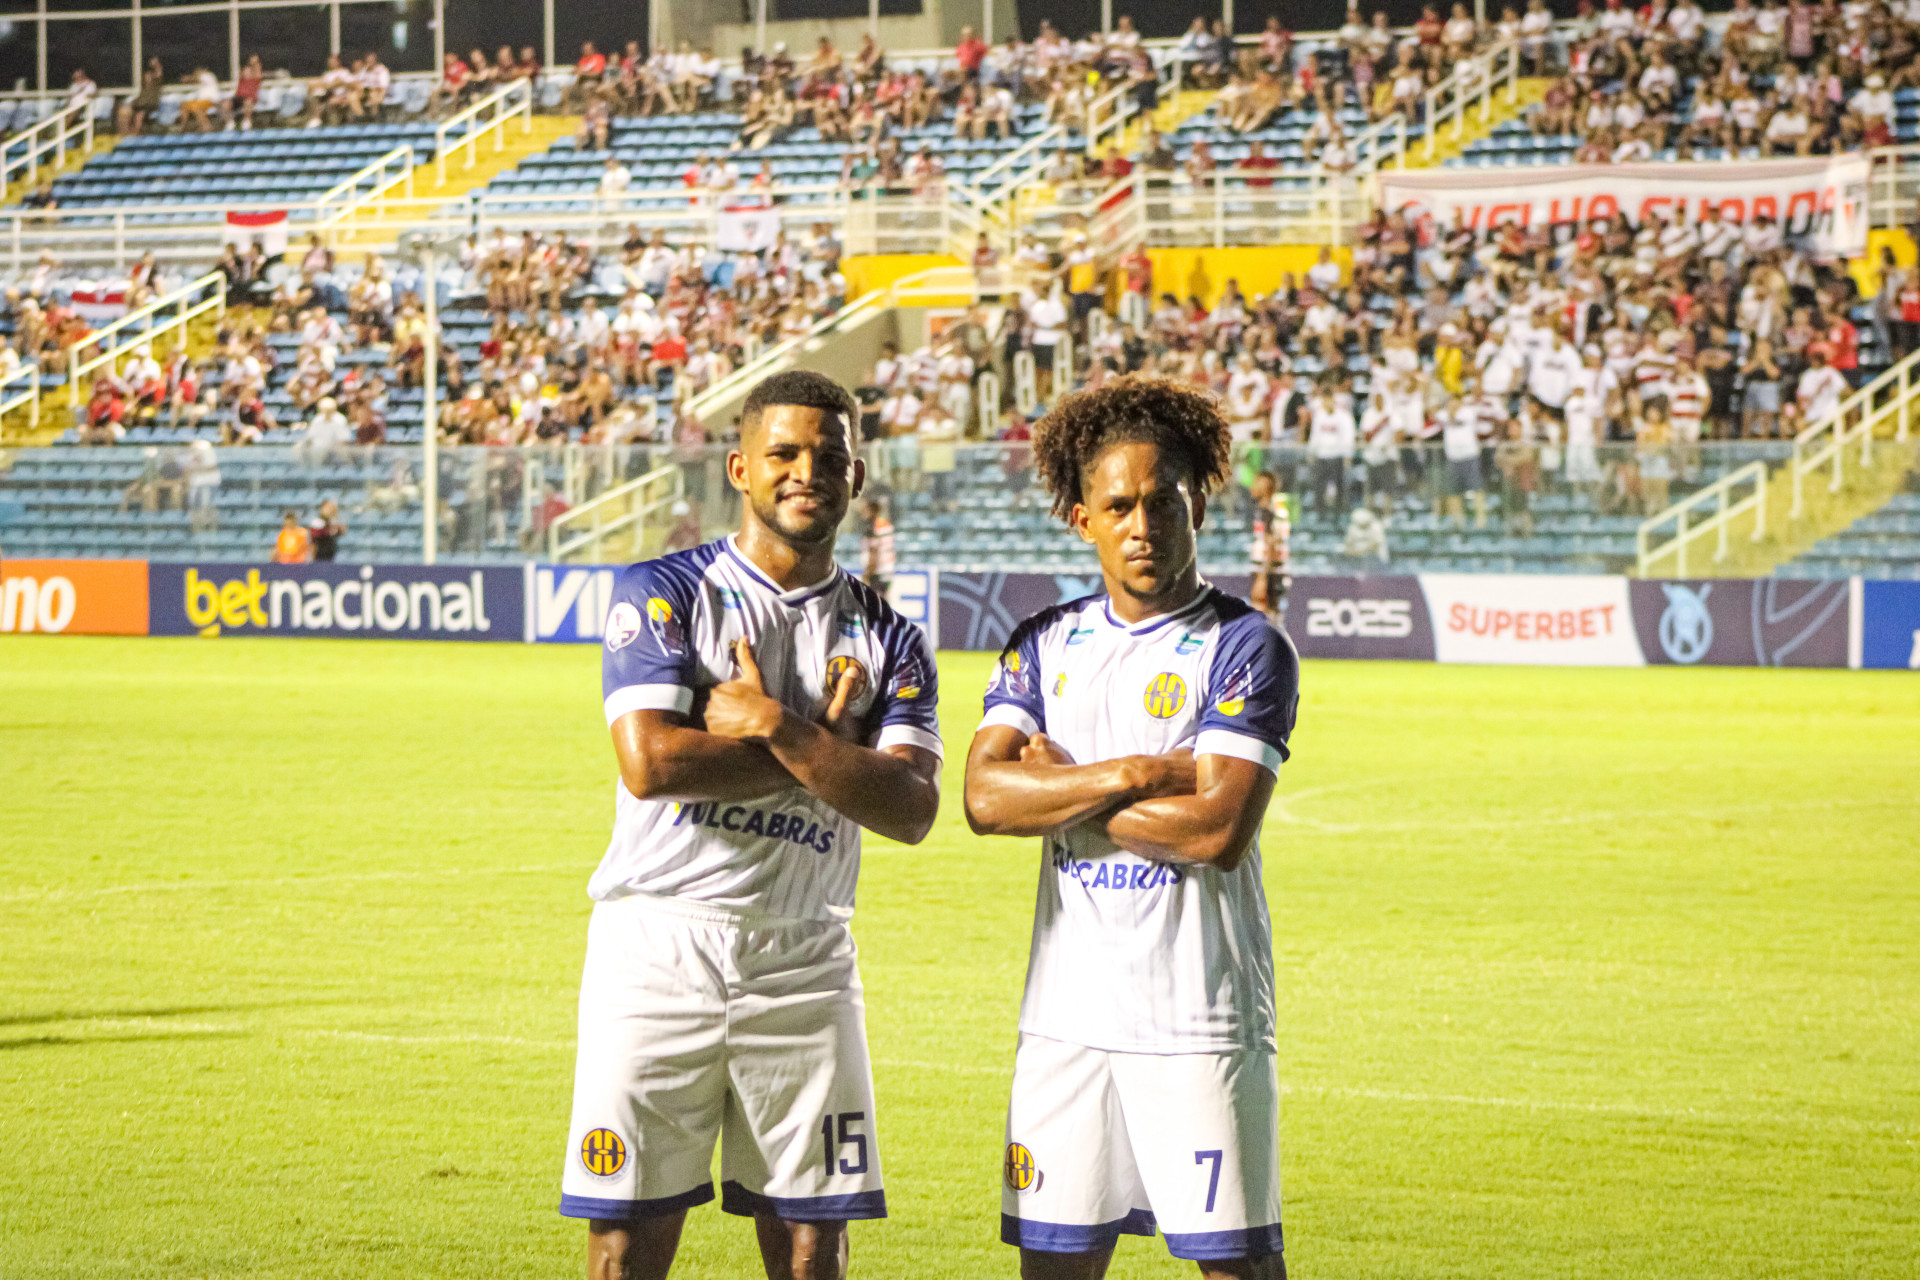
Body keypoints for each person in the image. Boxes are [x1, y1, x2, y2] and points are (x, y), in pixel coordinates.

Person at [562, 370, 943, 1280]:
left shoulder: (891, 637)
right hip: (657, 947)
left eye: (829, 457)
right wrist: (834, 757)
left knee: (815, 1243)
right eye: (783, 453)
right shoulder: (663, 591)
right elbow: (654, 764)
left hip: (806, 958)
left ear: (857, 477)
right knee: (626, 1235)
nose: (806, 471)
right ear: (740, 466)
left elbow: (914, 808)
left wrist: (778, 724)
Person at [964, 375, 1297, 1280]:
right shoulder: (1043, 640)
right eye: (1118, 506)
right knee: (1055, 1266)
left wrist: (1062, 787)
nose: (1142, 526)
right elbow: (986, 801)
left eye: (1164, 503)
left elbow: (1215, 831)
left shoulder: (1245, 644)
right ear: (1083, 520)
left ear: (1200, 504)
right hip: (1064, 1023)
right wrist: (1141, 772)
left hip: (1197, 1018)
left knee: (1233, 1267)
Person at [1247, 470, 1291, 624]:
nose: (1252, 487)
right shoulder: (1267, 509)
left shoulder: (1268, 511)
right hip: (1269, 570)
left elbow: (1271, 542)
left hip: (1268, 571)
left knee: (1264, 614)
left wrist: (1262, 577)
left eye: (1256, 483)